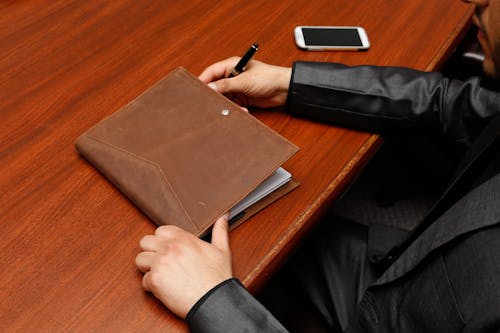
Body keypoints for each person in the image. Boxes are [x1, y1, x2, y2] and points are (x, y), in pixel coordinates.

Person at [135, 0, 500, 331]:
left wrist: (214, 302)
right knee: (262, 232)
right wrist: (290, 83)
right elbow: (452, 104)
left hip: (391, 313)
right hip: (414, 268)